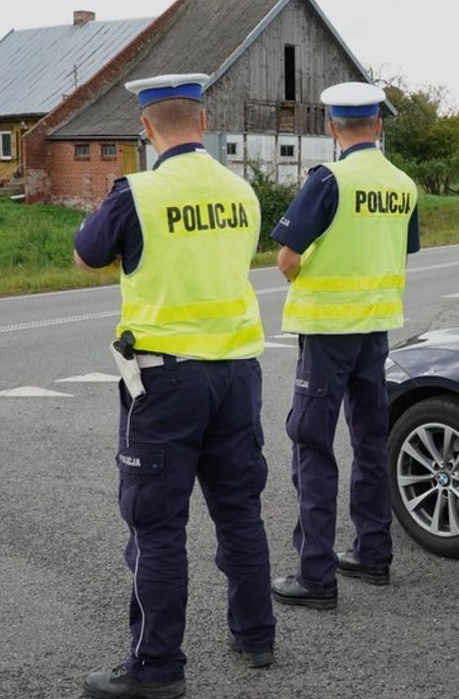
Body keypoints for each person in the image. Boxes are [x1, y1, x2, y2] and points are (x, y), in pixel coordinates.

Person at [74, 73, 275, 699]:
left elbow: (87, 254)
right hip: (238, 374)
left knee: (156, 526)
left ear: (146, 127)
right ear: (204, 121)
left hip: (164, 381)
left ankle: (156, 668)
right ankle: (257, 634)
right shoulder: (243, 191)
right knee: (239, 510)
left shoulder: (136, 191)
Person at [269, 81, 420, 610]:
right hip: (376, 330)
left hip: (327, 334)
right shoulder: (403, 184)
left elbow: (287, 258)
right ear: (377, 125)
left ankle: (315, 577)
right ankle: (373, 554)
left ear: (332, 129)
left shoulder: (328, 179)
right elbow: (401, 248)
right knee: (370, 441)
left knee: (312, 446)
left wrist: (309, 276)